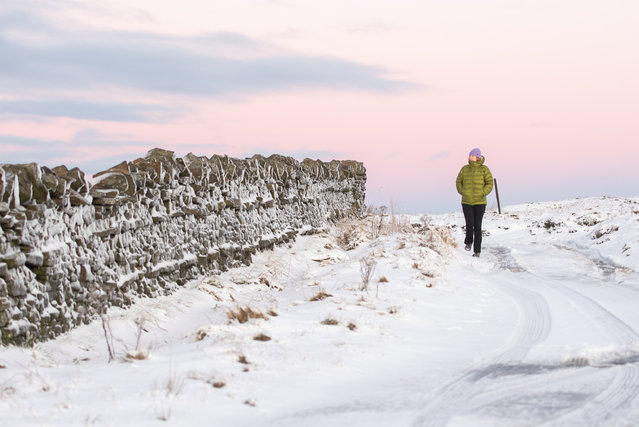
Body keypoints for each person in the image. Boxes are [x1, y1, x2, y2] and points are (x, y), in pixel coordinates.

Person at [456, 148, 493, 257]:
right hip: (467, 201)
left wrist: (483, 192)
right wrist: (462, 191)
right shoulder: (464, 169)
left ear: (477, 157)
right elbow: (458, 181)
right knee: (469, 223)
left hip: (480, 202)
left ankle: (477, 251)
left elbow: (489, 183)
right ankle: (468, 242)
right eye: (469, 155)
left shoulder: (484, 169)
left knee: (477, 225)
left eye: (471, 155)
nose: (469, 157)